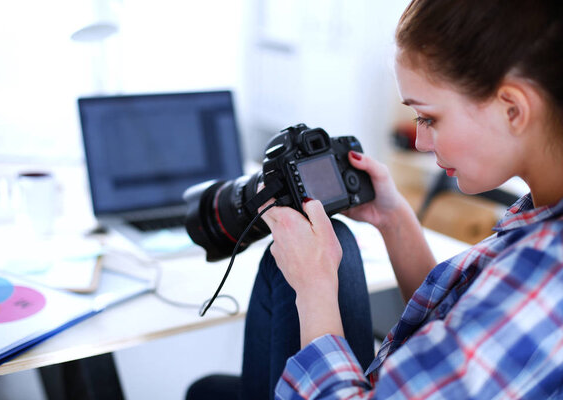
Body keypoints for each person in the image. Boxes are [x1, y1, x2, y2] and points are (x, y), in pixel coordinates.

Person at [187, 0, 563, 398]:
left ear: (513, 109)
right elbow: (465, 330)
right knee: (210, 390)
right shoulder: (539, 216)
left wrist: (314, 289)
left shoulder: (546, 269)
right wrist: (393, 219)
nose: (419, 141)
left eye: (429, 117)